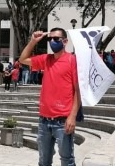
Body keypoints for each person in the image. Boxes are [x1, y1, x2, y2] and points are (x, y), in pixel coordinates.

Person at [19, 28, 80, 166]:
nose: (52, 41)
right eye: (50, 39)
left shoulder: (72, 60)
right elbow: (23, 59)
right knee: (43, 161)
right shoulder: (46, 59)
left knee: (67, 161)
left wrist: (72, 116)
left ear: (65, 41)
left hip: (63, 120)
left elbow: (77, 91)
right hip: (44, 120)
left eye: (56, 39)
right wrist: (33, 41)